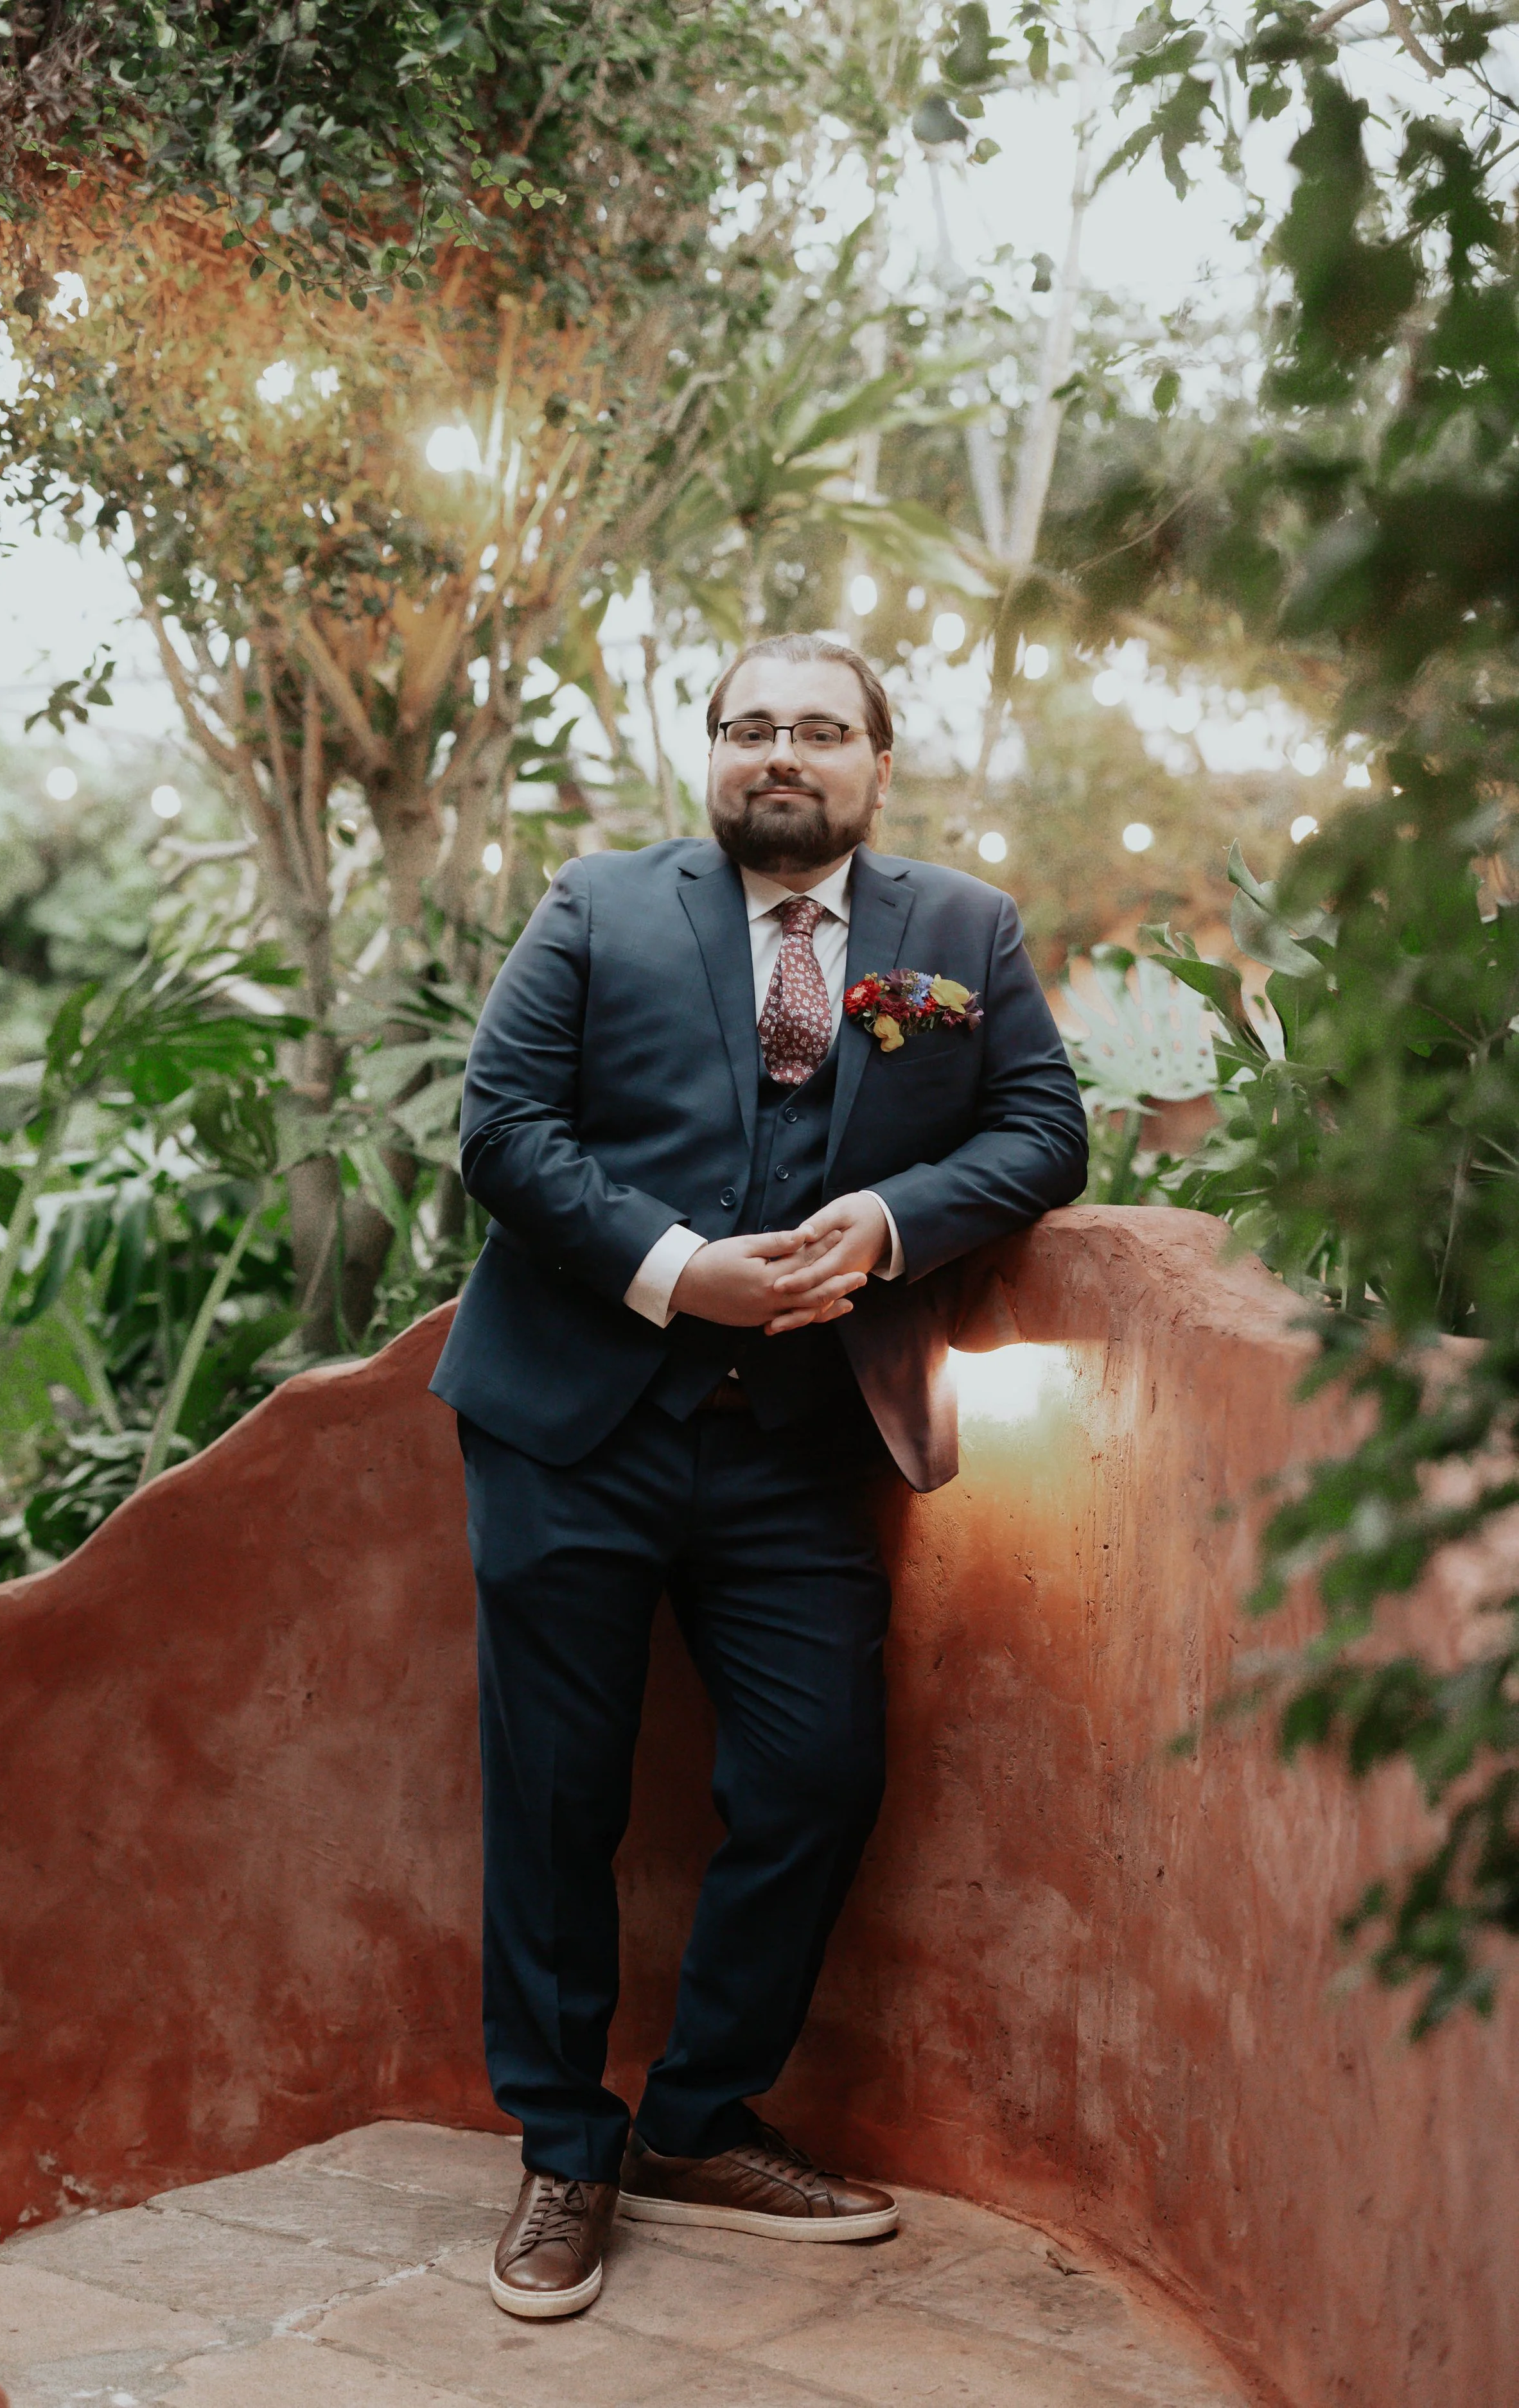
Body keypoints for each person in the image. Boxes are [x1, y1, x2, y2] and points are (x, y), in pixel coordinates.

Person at [430, 632, 1088, 2320]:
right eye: (745, 727)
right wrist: (674, 1267)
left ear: (876, 761)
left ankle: (701, 2115)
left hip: (800, 1449)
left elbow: (1040, 1129)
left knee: (817, 1775)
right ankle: (566, 2146)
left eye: (815, 727)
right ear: (706, 754)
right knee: (558, 1796)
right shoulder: (596, 903)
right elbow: (502, 1127)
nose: (775, 753)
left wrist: (889, 1220)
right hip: (570, 1424)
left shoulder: (960, 931)